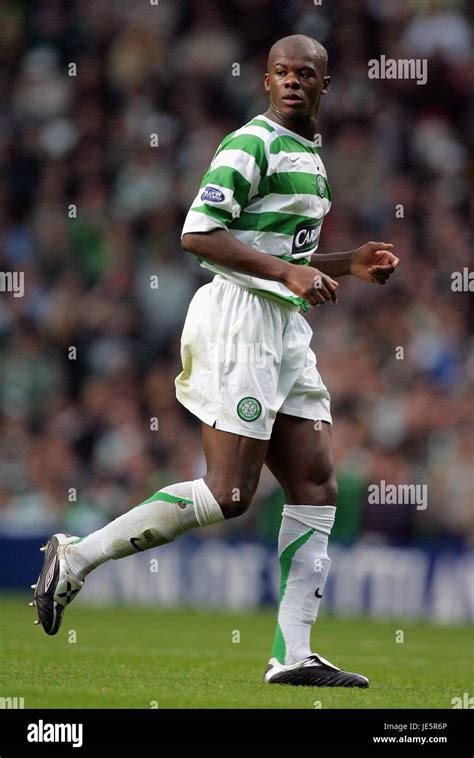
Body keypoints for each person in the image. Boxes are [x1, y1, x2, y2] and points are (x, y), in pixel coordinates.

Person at [32, 35, 399, 688]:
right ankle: (78, 556)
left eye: (305, 74)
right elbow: (197, 232)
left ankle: (293, 653)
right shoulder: (249, 144)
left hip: (284, 329)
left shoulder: (312, 160)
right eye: (282, 72)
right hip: (238, 321)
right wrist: (287, 271)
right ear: (265, 81)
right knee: (231, 493)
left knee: (314, 481)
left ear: (325, 86)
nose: (292, 81)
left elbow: (281, 251)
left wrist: (348, 266)